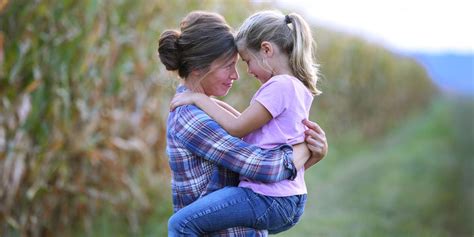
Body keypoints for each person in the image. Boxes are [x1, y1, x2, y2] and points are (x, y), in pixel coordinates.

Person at [158, 11, 327, 236]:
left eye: (242, 63)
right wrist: (307, 149)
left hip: (255, 215)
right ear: (198, 66)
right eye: (229, 65)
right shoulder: (190, 118)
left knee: (179, 224)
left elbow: (244, 133)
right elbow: (266, 168)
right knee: (180, 225)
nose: (237, 75)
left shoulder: (206, 106)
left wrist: (313, 153)